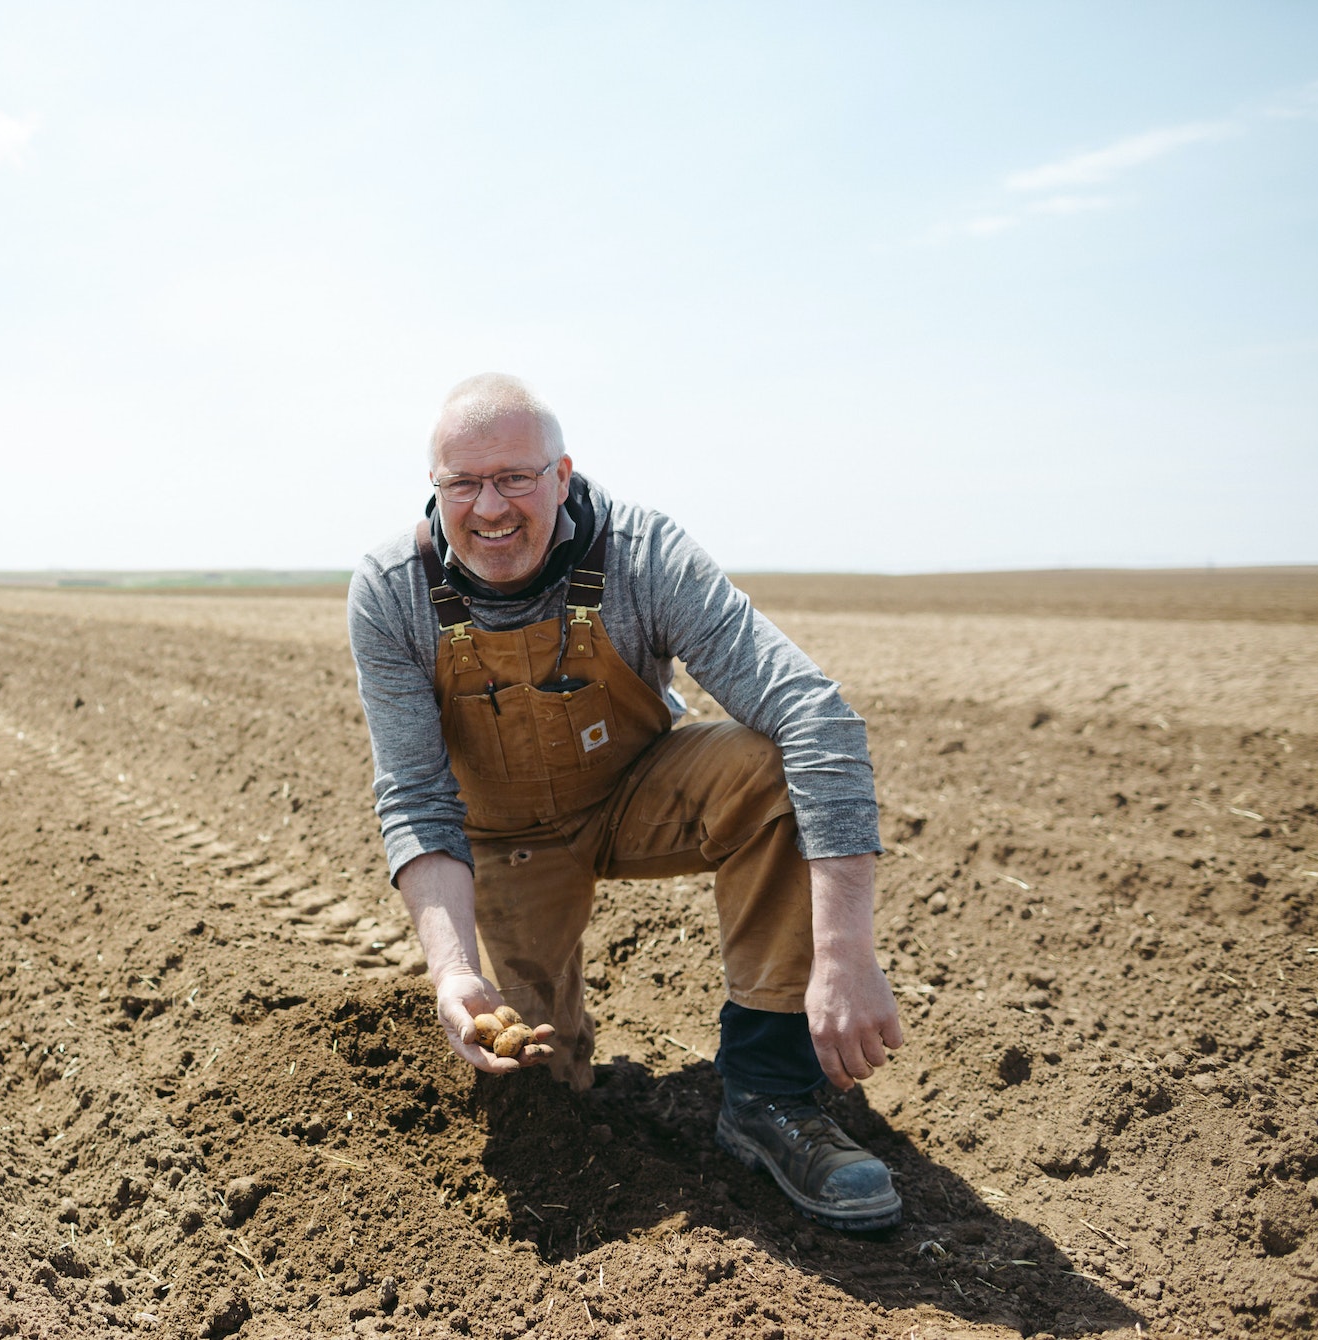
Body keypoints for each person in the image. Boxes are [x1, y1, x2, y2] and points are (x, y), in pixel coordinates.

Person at [346, 373, 905, 1231]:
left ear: (563, 475)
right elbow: (417, 796)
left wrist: (845, 952)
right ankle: (559, 1078)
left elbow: (814, 714)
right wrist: (453, 970)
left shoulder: (641, 555)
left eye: (515, 478)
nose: (489, 507)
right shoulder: (394, 591)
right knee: (535, 1086)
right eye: (463, 484)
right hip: (505, 839)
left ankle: (769, 1096)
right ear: (435, 485)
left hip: (636, 794)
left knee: (771, 766)